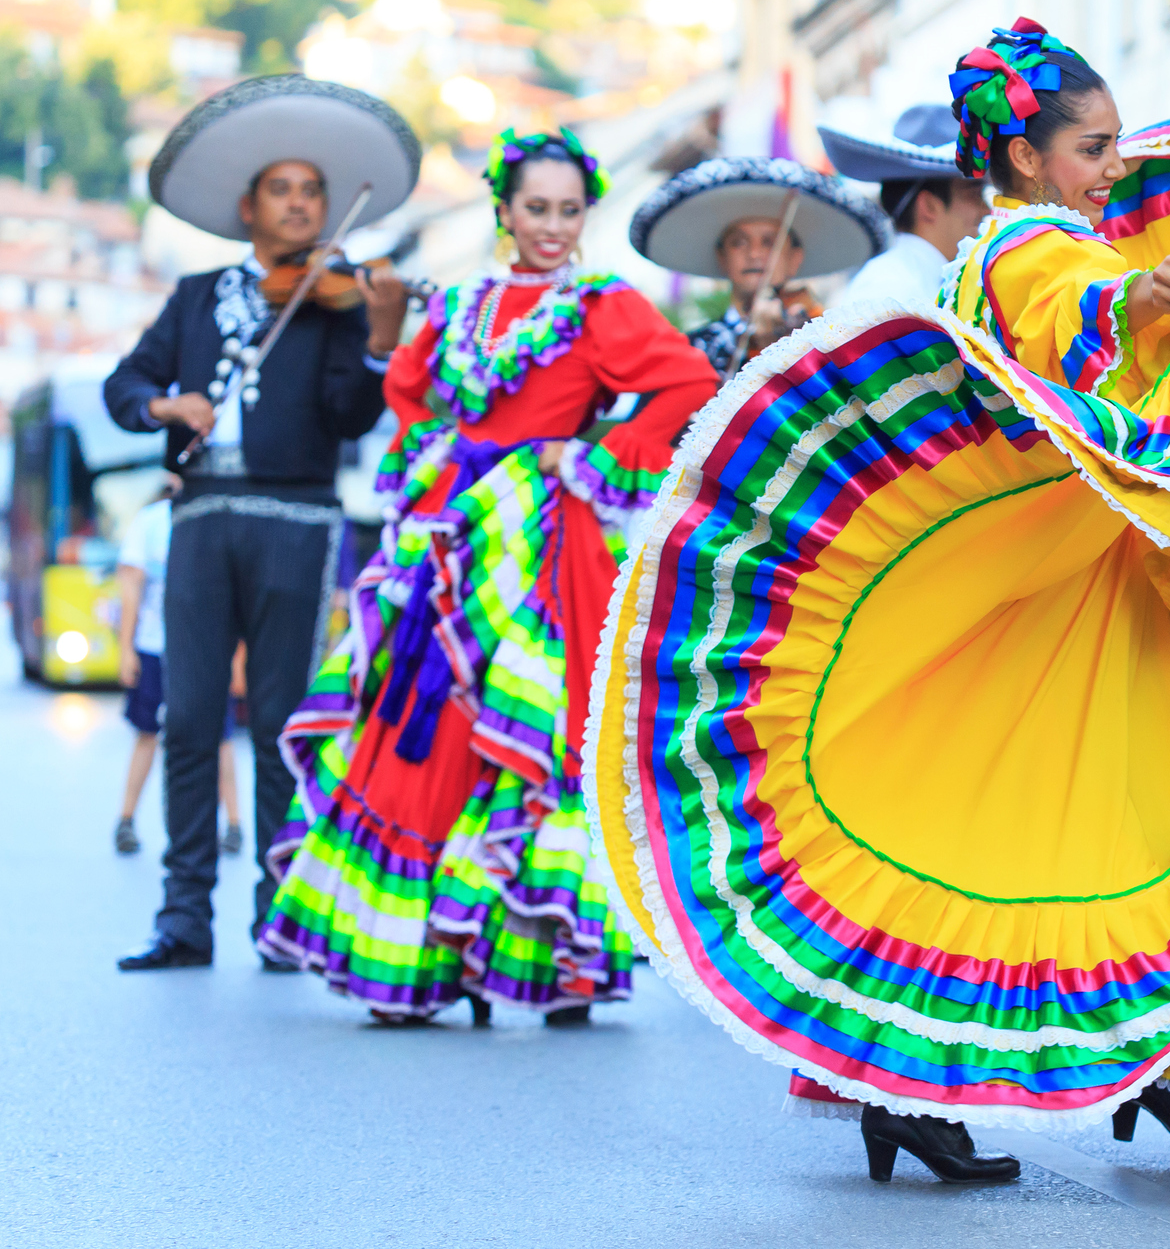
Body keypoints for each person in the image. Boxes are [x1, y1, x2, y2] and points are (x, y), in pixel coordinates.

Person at [593, 21, 1170, 1187]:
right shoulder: (1029, 248)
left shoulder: (1065, 237)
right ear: (1027, 157)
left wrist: (1146, 305)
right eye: (1094, 146)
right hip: (1079, 603)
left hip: (1132, 592)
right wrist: (1139, 302)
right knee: (1077, 823)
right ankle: (928, 1091)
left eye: (1116, 143)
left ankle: (1168, 1076)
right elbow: (1063, 325)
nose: (1115, 166)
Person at [255, 127, 720, 1025]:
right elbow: (409, 390)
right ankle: (422, 961)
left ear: (586, 216)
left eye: (569, 211)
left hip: (542, 537)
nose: (552, 226)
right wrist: (439, 449)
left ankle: (543, 960)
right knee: (421, 717)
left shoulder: (600, 303)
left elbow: (686, 384)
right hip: (450, 531)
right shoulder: (461, 300)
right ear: (503, 210)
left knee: (529, 726)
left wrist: (587, 451)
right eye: (536, 209)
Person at [104, 76, 419, 972]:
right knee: (188, 715)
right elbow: (123, 387)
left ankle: (283, 914)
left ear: (327, 206)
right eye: (281, 190)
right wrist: (169, 405)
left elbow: (354, 417)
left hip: (299, 514)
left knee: (281, 719)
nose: (297, 205)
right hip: (200, 514)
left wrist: (374, 339)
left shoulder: (341, 298)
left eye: (310, 192)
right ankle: (183, 916)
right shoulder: (197, 297)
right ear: (249, 207)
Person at [634, 158, 889, 376]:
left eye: (770, 242)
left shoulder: (828, 340)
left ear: (795, 258)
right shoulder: (691, 351)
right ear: (721, 258)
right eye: (738, 242)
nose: (755, 253)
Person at [113, 486, 244, 858]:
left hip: (208, 649)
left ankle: (233, 824)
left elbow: (238, 597)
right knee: (147, 734)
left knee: (219, 738)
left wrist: (236, 659)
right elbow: (131, 589)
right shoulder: (152, 521)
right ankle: (125, 819)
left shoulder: (222, 515)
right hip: (156, 645)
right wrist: (127, 649)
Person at [820, 104, 991, 309]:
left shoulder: (916, 279)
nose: (987, 210)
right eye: (973, 195)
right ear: (929, 206)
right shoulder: (889, 288)